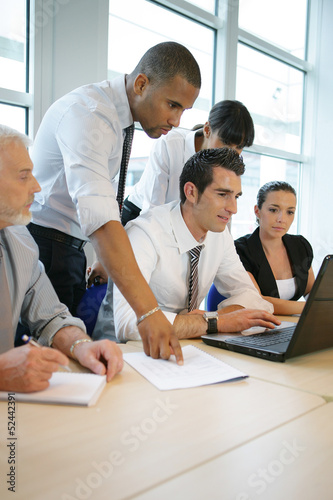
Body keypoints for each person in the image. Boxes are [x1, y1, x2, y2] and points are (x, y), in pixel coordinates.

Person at [28, 42, 201, 364]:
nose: (176, 120)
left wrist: (105, 258)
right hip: (45, 246)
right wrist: (148, 311)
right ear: (141, 85)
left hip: (66, 247)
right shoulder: (91, 115)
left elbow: (102, 201)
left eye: (184, 111)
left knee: (72, 365)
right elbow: (101, 220)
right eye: (172, 105)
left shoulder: (115, 117)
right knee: (52, 370)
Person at [106, 148, 280, 342]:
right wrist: (215, 323)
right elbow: (128, 324)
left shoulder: (219, 234)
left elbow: (252, 297)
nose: (233, 209)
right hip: (129, 352)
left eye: (236, 196)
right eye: (223, 194)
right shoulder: (145, 233)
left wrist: (210, 320)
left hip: (188, 346)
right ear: (191, 192)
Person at [0, 125, 123, 392]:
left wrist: (82, 345)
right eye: (23, 177)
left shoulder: (20, 241)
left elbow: (51, 318)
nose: (36, 186)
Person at [121, 99, 254, 226]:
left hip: (177, 223)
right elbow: (152, 209)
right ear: (207, 130)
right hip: (139, 215)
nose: (231, 152)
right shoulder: (171, 145)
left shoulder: (228, 168)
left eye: (239, 147)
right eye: (226, 143)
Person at [234, 181, 315, 315]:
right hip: (256, 327)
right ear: (257, 211)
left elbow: (311, 292)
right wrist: (310, 307)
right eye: (273, 210)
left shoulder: (300, 245)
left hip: (292, 325)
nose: (281, 219)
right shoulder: (241, 250)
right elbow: (257, 301)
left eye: (290, 212)